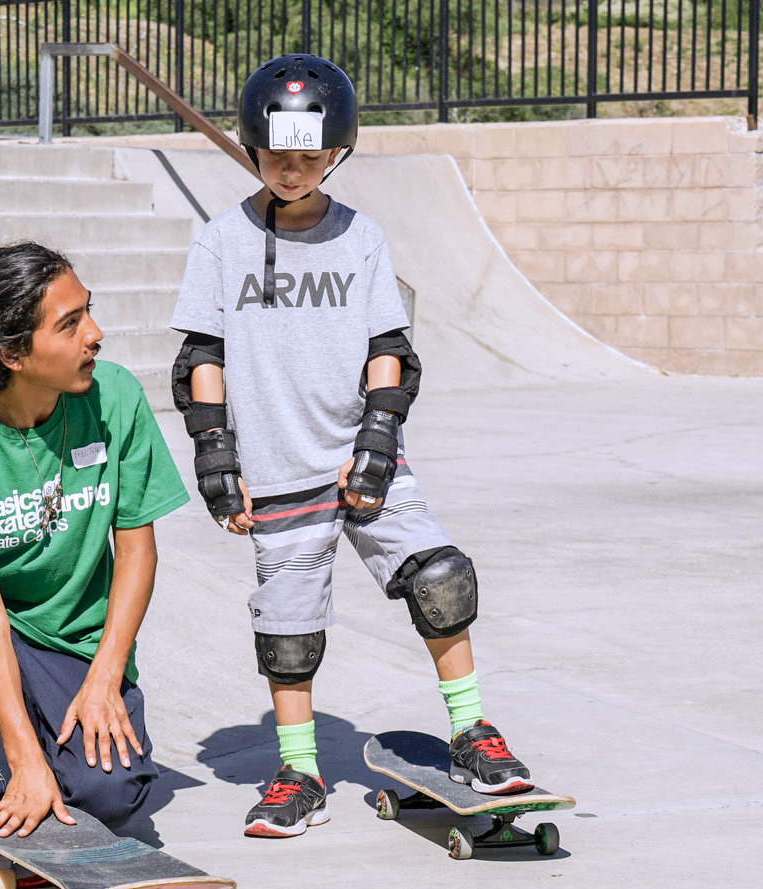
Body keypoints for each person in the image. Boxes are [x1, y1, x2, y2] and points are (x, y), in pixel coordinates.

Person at [169, 54, 533, 838]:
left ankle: (472, 732)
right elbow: (201, 358)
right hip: (277, 473)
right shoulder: (222, 241)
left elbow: (388, 347)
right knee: (288, 631)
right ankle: (298, 771)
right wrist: (215, 458)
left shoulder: (360, 236)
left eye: (309, 158)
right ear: (251, 148)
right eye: (276, 158)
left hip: (363, 462)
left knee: (442, 578)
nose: (293, 171)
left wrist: (377, 439)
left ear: (337, 152)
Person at [0, 241, 189, 877]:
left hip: (70, 646)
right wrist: (22, 756)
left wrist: (105, 676)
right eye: (70, 324)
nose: (95, 336)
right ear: (13, 354)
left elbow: (136, 548)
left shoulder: (115, 398)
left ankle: (47, 771)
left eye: (88, 313)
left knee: (115, 791)